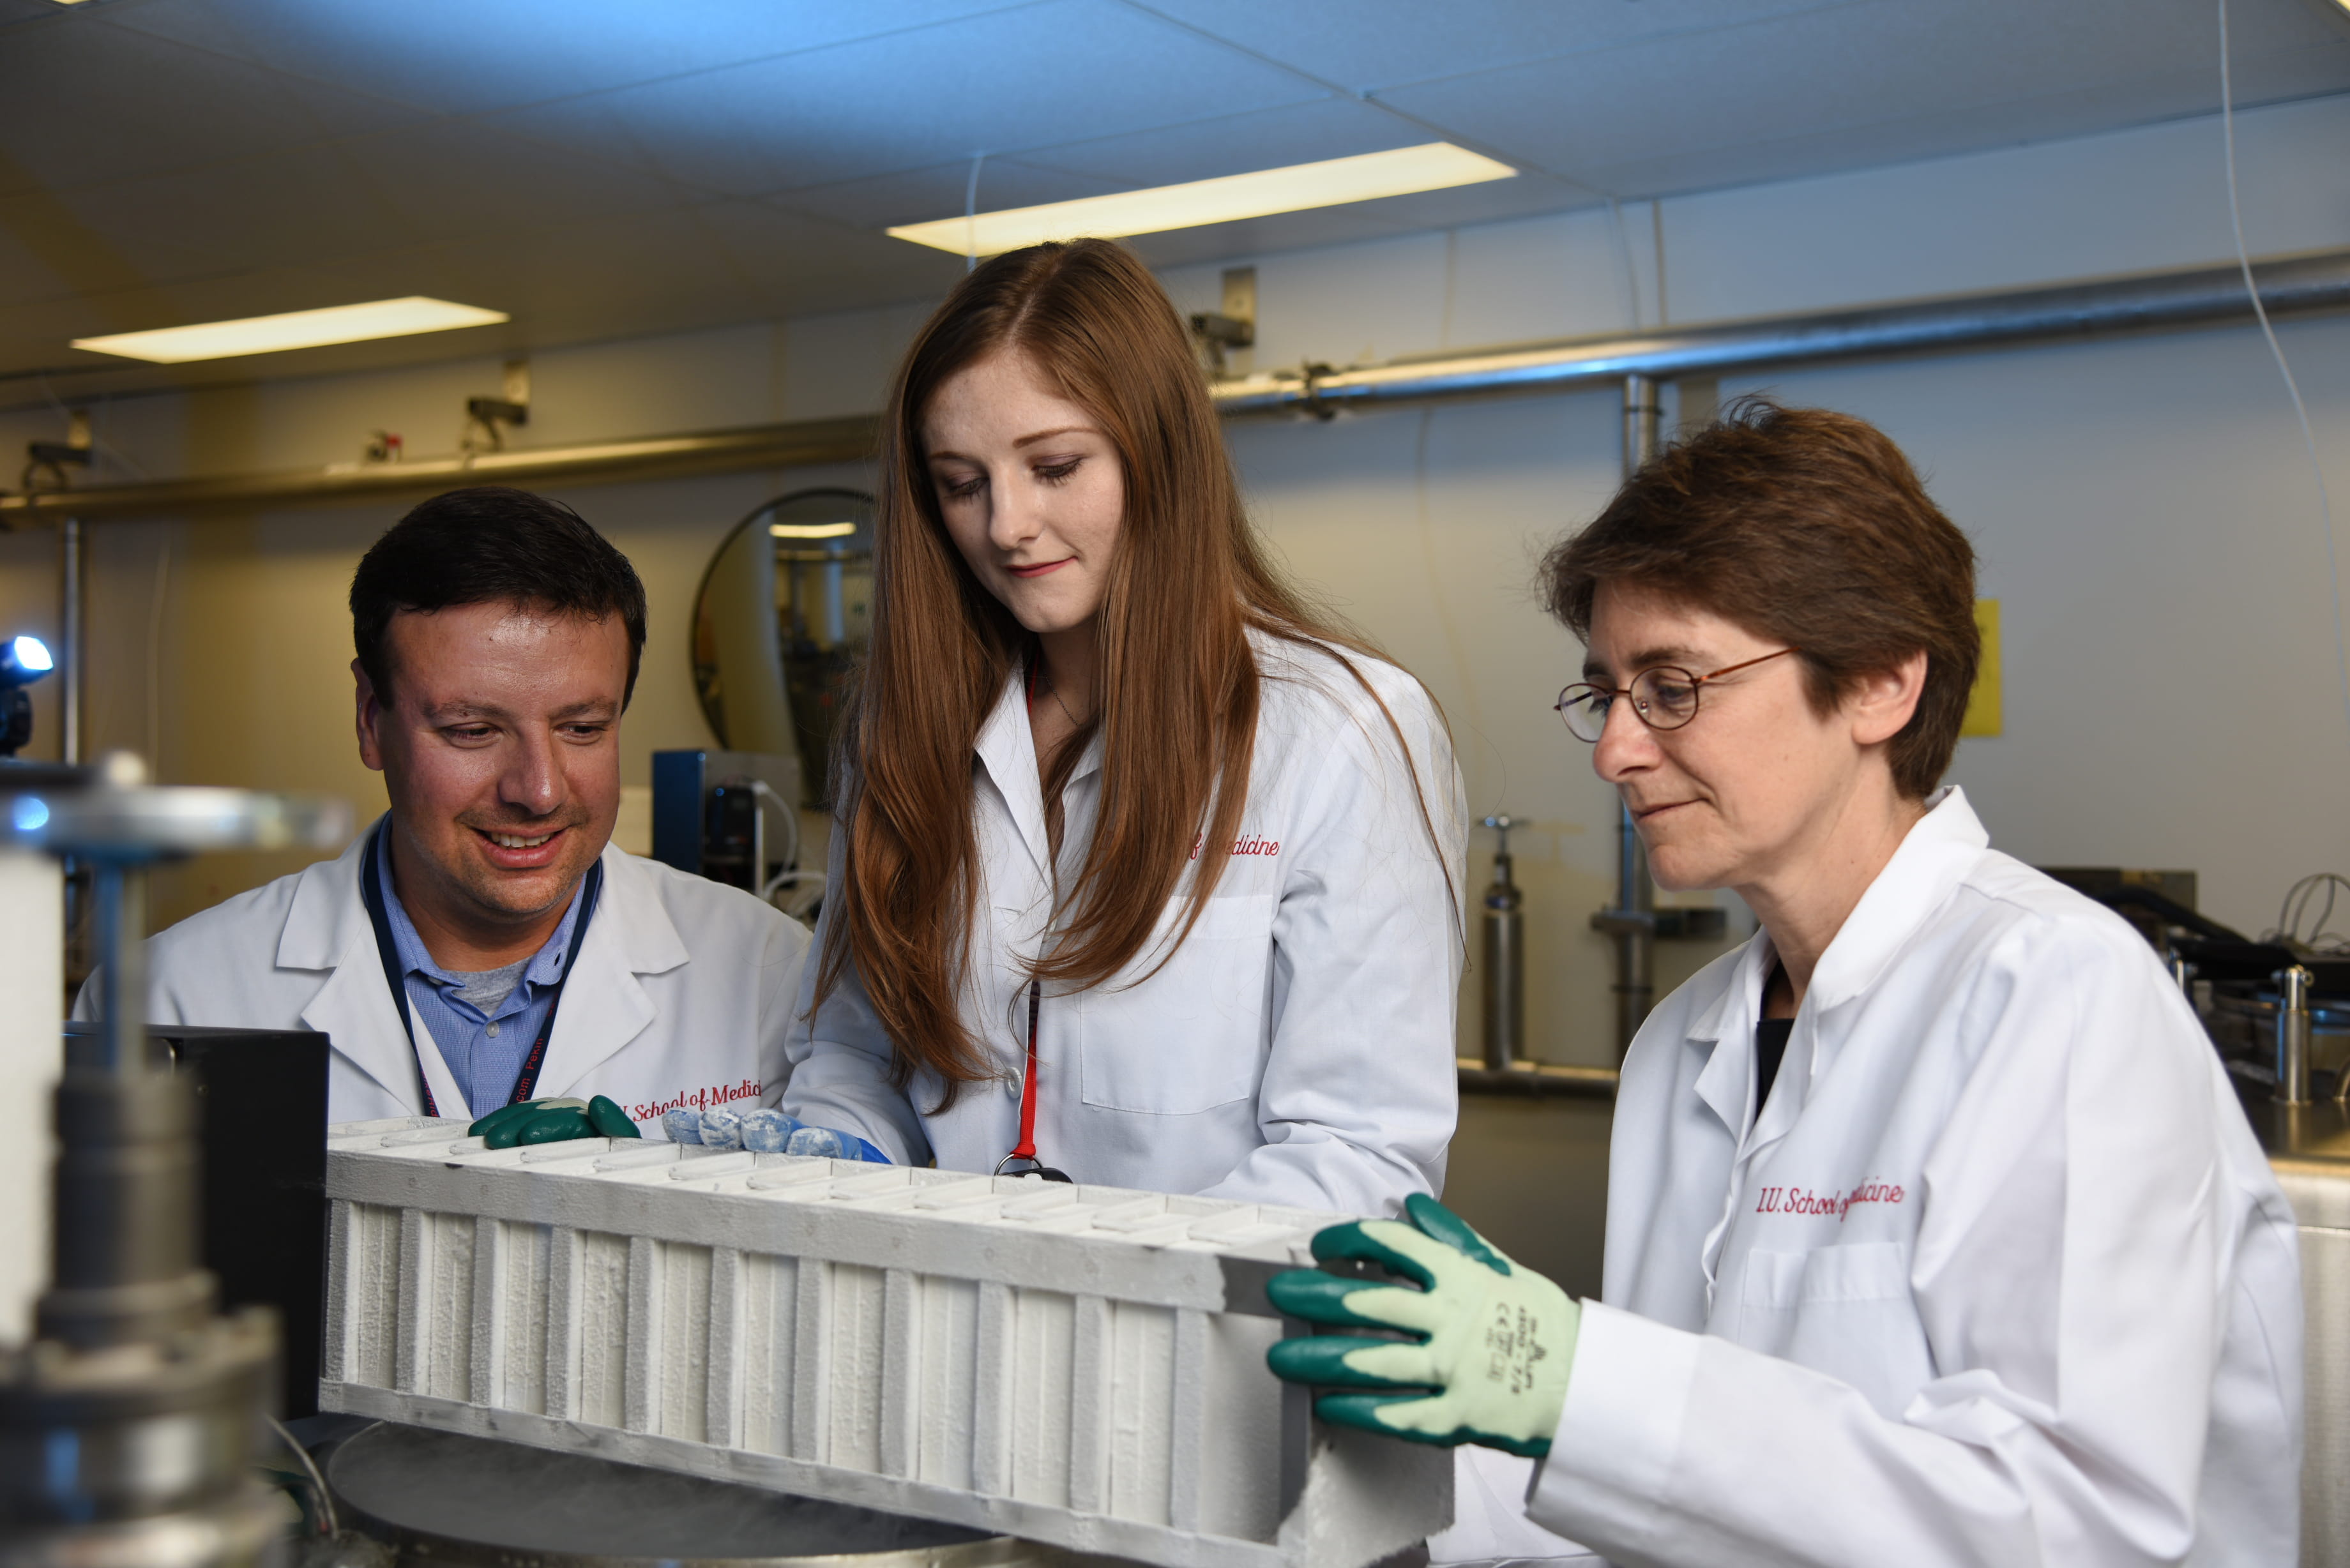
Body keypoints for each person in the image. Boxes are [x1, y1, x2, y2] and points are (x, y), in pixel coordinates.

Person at [1268, 400, 2303, 1564]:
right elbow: (1669, 1502)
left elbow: (2076, 1527)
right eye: (1605, 690)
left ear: (1879, 684)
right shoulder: (1686, 1039)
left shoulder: (2056, 996)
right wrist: (1382, 1470)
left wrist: (1579, 1384)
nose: (1616, 747)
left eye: (1673, 685)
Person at [778, 238, 1465, 1214]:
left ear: (1159, 454)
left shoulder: (1341, 732)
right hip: (933, 1325)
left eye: (1055, 466)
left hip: (1199, 1342)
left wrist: (1099, 1300)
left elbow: (1356, 1154)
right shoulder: (899, 732)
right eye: (961, 483)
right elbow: (854, 1055)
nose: (1007, 524)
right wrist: (833, 1157)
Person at [78, 486, 811, 1131]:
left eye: (582, 728)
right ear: (371, 718)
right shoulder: (172, 996)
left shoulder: (769, 975)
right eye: (472, 731)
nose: (539, 790)